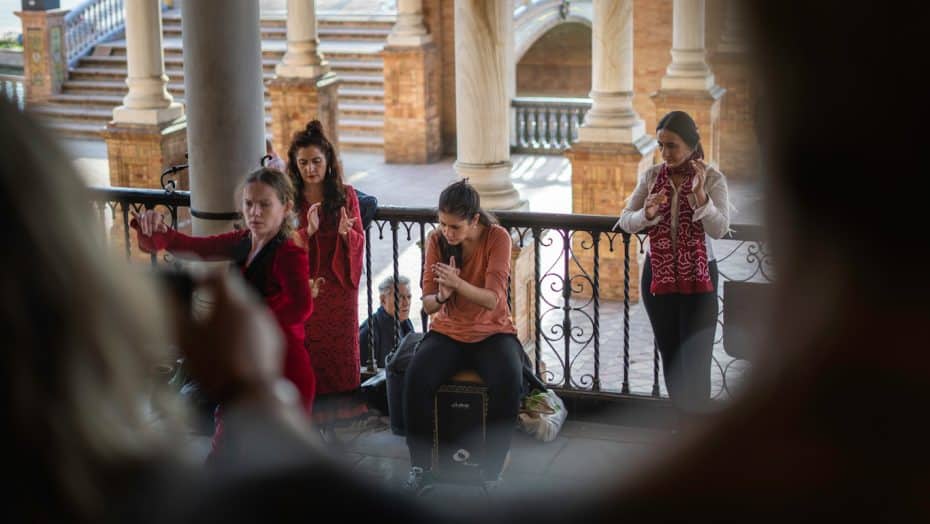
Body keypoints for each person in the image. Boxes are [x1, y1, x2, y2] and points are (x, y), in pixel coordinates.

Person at [131, 167, 317, 454]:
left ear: (286, 207)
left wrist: (245, 320)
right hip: (248, 367)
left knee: (271, 464)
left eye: (265, 204)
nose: (254, 212)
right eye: (249, 204)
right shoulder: (242, 241)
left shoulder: (289, 254)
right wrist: (156, 231)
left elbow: (301, 307)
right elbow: (190, 246)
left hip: (284, 369)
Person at [402, 179, 524, 493]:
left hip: (493, 332)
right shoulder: (436, 241)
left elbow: (492, 298)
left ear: (474, 220)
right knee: (416, 379)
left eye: (454, 226)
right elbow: (428, 305)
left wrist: (457, 286)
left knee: (509, 382)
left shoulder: (497, 238)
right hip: (448, 331)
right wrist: (443, 296)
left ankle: (491, 471)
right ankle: (421, 467)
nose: (447, 232)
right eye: (442, 224)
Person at [614, 110, 731, 422]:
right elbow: (625, 220)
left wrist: (701, 197)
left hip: (701, 278)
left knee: (697, 357)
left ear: (692, 146)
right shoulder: (652, 177)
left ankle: (697, 428)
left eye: (672, 146)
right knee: (671, 354)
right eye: (661, 145)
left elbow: (720, 229)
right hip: (659, 278)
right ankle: (681, 422)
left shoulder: (714, 179)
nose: (665, 153)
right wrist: (647, 215)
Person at [286, 120, 367, 430]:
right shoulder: (290, 199)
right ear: (295, 164)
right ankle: (307, 410)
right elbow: (283, 243)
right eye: (303, 162)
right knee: (306, 348)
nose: (310, 168)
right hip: (305, 283)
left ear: (328, 161)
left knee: (340, 350)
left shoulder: (345, 195)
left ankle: (344, 413)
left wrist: (348, 236)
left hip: (338, 284)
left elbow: (359, 238)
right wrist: (308, 231)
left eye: (316, 161)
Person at [359, 275, 415, 368]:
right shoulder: (369, 331)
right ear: (383, 300)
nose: (406, 303)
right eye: (400, 297)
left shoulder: (405, 323)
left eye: (409, 297)